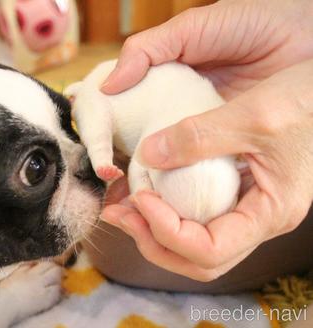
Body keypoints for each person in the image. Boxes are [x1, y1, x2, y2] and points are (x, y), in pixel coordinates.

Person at [82, 0, 313, 320]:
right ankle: (100, 152)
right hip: (103, 89)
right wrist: (303, 24)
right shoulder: (169, 137)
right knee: (124, 254)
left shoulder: (224, 138)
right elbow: (140, 169)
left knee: (136, 253)